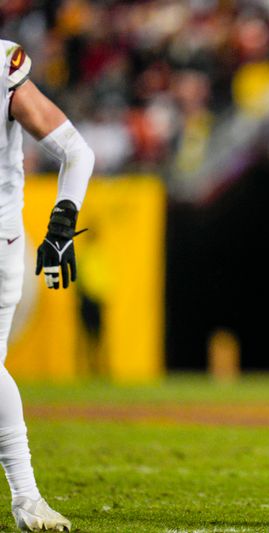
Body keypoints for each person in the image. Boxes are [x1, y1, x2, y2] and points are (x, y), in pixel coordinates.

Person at [0, 40, 95, 531]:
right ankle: (26, 500)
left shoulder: (3, 67)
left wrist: (61, 224)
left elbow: (75, 151)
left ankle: (27, 497)